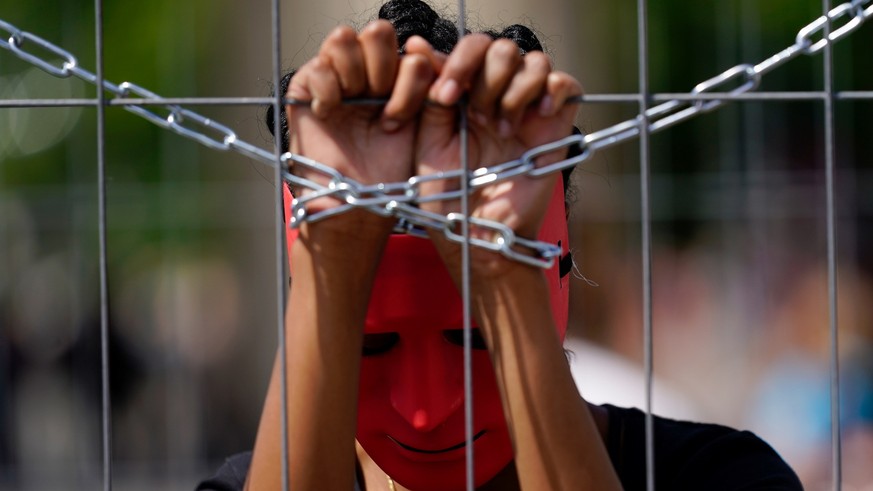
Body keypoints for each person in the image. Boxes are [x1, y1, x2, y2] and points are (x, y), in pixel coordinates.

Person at [197, 0, 803, 489]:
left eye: (474, 337)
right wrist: (334, 256)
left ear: (556, 272)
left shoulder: (719, 477)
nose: (426, 413)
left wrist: (501, 266)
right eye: (372, 343)